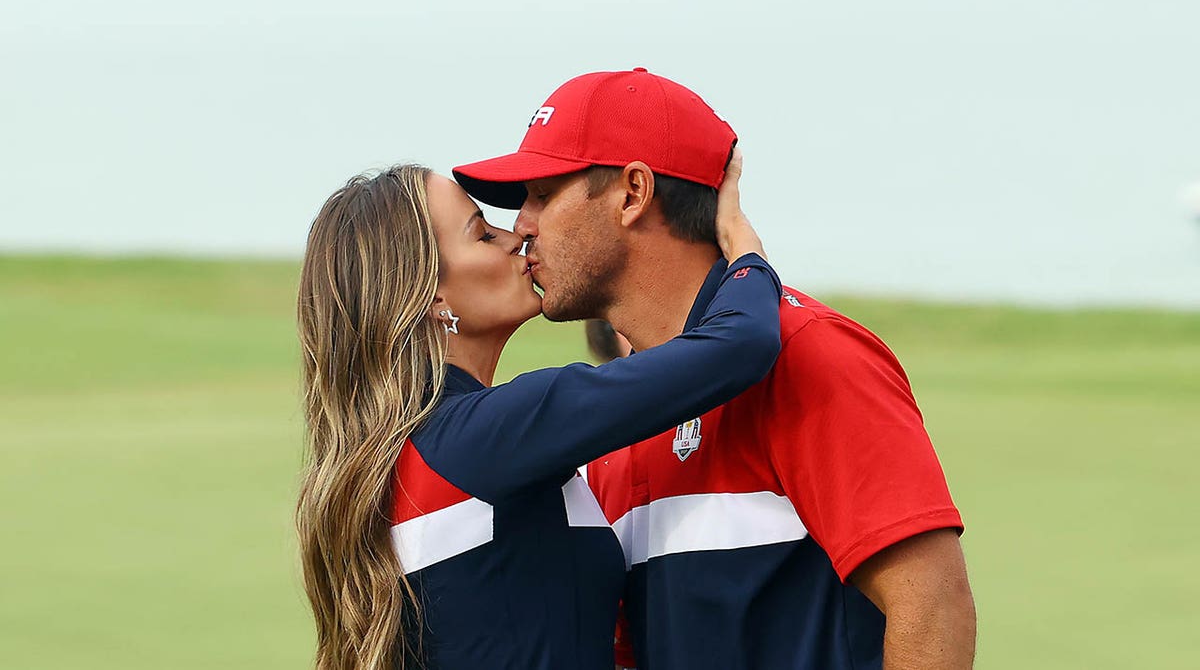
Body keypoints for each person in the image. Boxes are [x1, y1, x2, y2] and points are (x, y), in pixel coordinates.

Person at [453, 68, 977, 669]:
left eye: (543, 194)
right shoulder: (616, 415)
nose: (521, 224)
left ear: (632, 193)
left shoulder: (810, 353)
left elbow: (933, 605)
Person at [295, 153, 781, 669]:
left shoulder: (414, 450)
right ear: (432, 297)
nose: (515, 237)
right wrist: (740, 243)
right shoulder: (485, 435)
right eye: (482, 234)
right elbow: (739, 343)